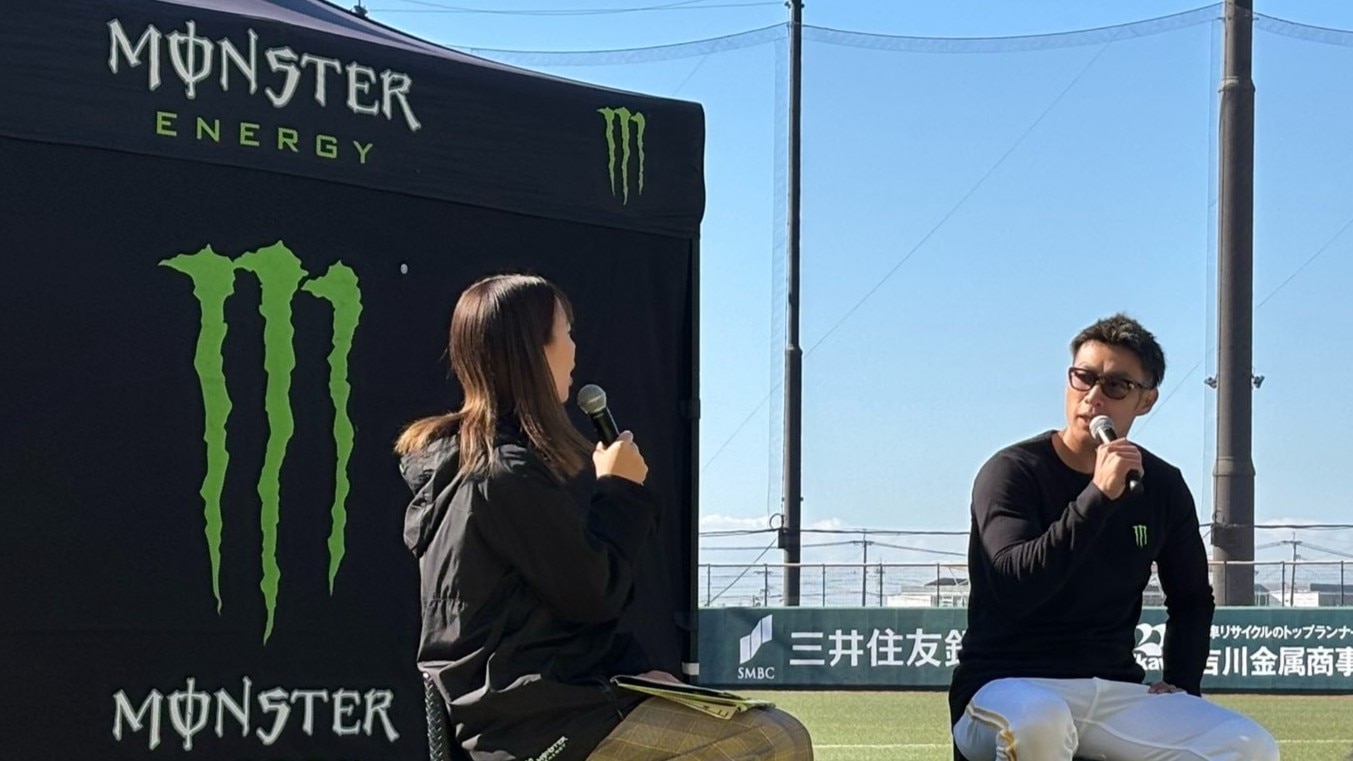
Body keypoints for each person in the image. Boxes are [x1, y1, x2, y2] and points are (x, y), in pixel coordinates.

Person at [396, 273, 813, 761]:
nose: (574, 350)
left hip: (536, 711)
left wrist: (633, 676)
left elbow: (545, 620)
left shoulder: (472, 469)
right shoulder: (501, 475)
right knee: (773, 738)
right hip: (539, 725)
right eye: (566, 333)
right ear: (534, 351)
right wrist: (619, 491)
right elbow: (595, 595)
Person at [949, 313, 1279, 761]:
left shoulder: (1160, 485)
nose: (1093, 396)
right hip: (1005, 684)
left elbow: (1191, 599)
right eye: (1083, 377)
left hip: (1112, 689)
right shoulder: (1011, 472)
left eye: (1116, 385)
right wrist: (1098, 497)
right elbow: (1014, 586)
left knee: (1249, 745)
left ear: (1146, 400)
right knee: (1040, 721)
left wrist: (1182, 682)